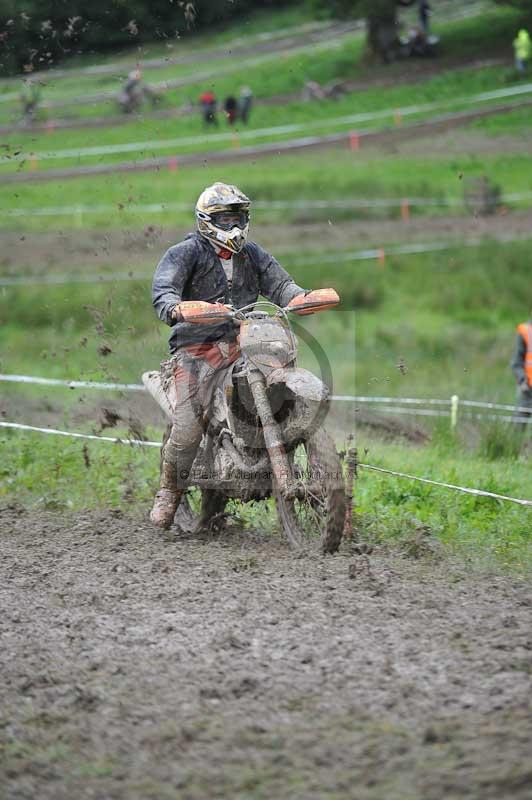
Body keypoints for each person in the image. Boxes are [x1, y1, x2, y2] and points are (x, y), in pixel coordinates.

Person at [150, 182, 323, 528]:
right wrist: (177, 308)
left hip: (245, 342)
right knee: (187, 425)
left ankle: (321, 483)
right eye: (225, 219)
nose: (233, 226)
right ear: (206, 220)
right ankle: (169, 491)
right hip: (197, 349)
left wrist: (301, 297)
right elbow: (164, 291)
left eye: (238, 218)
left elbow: (281, 285)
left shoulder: (253, 254)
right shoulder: (184, 253)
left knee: (284, 383)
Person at [511, 319, 532, 422]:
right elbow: (516, 363)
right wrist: (522, 380)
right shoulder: (525, 330)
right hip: (527, 389)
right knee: (518, 425)